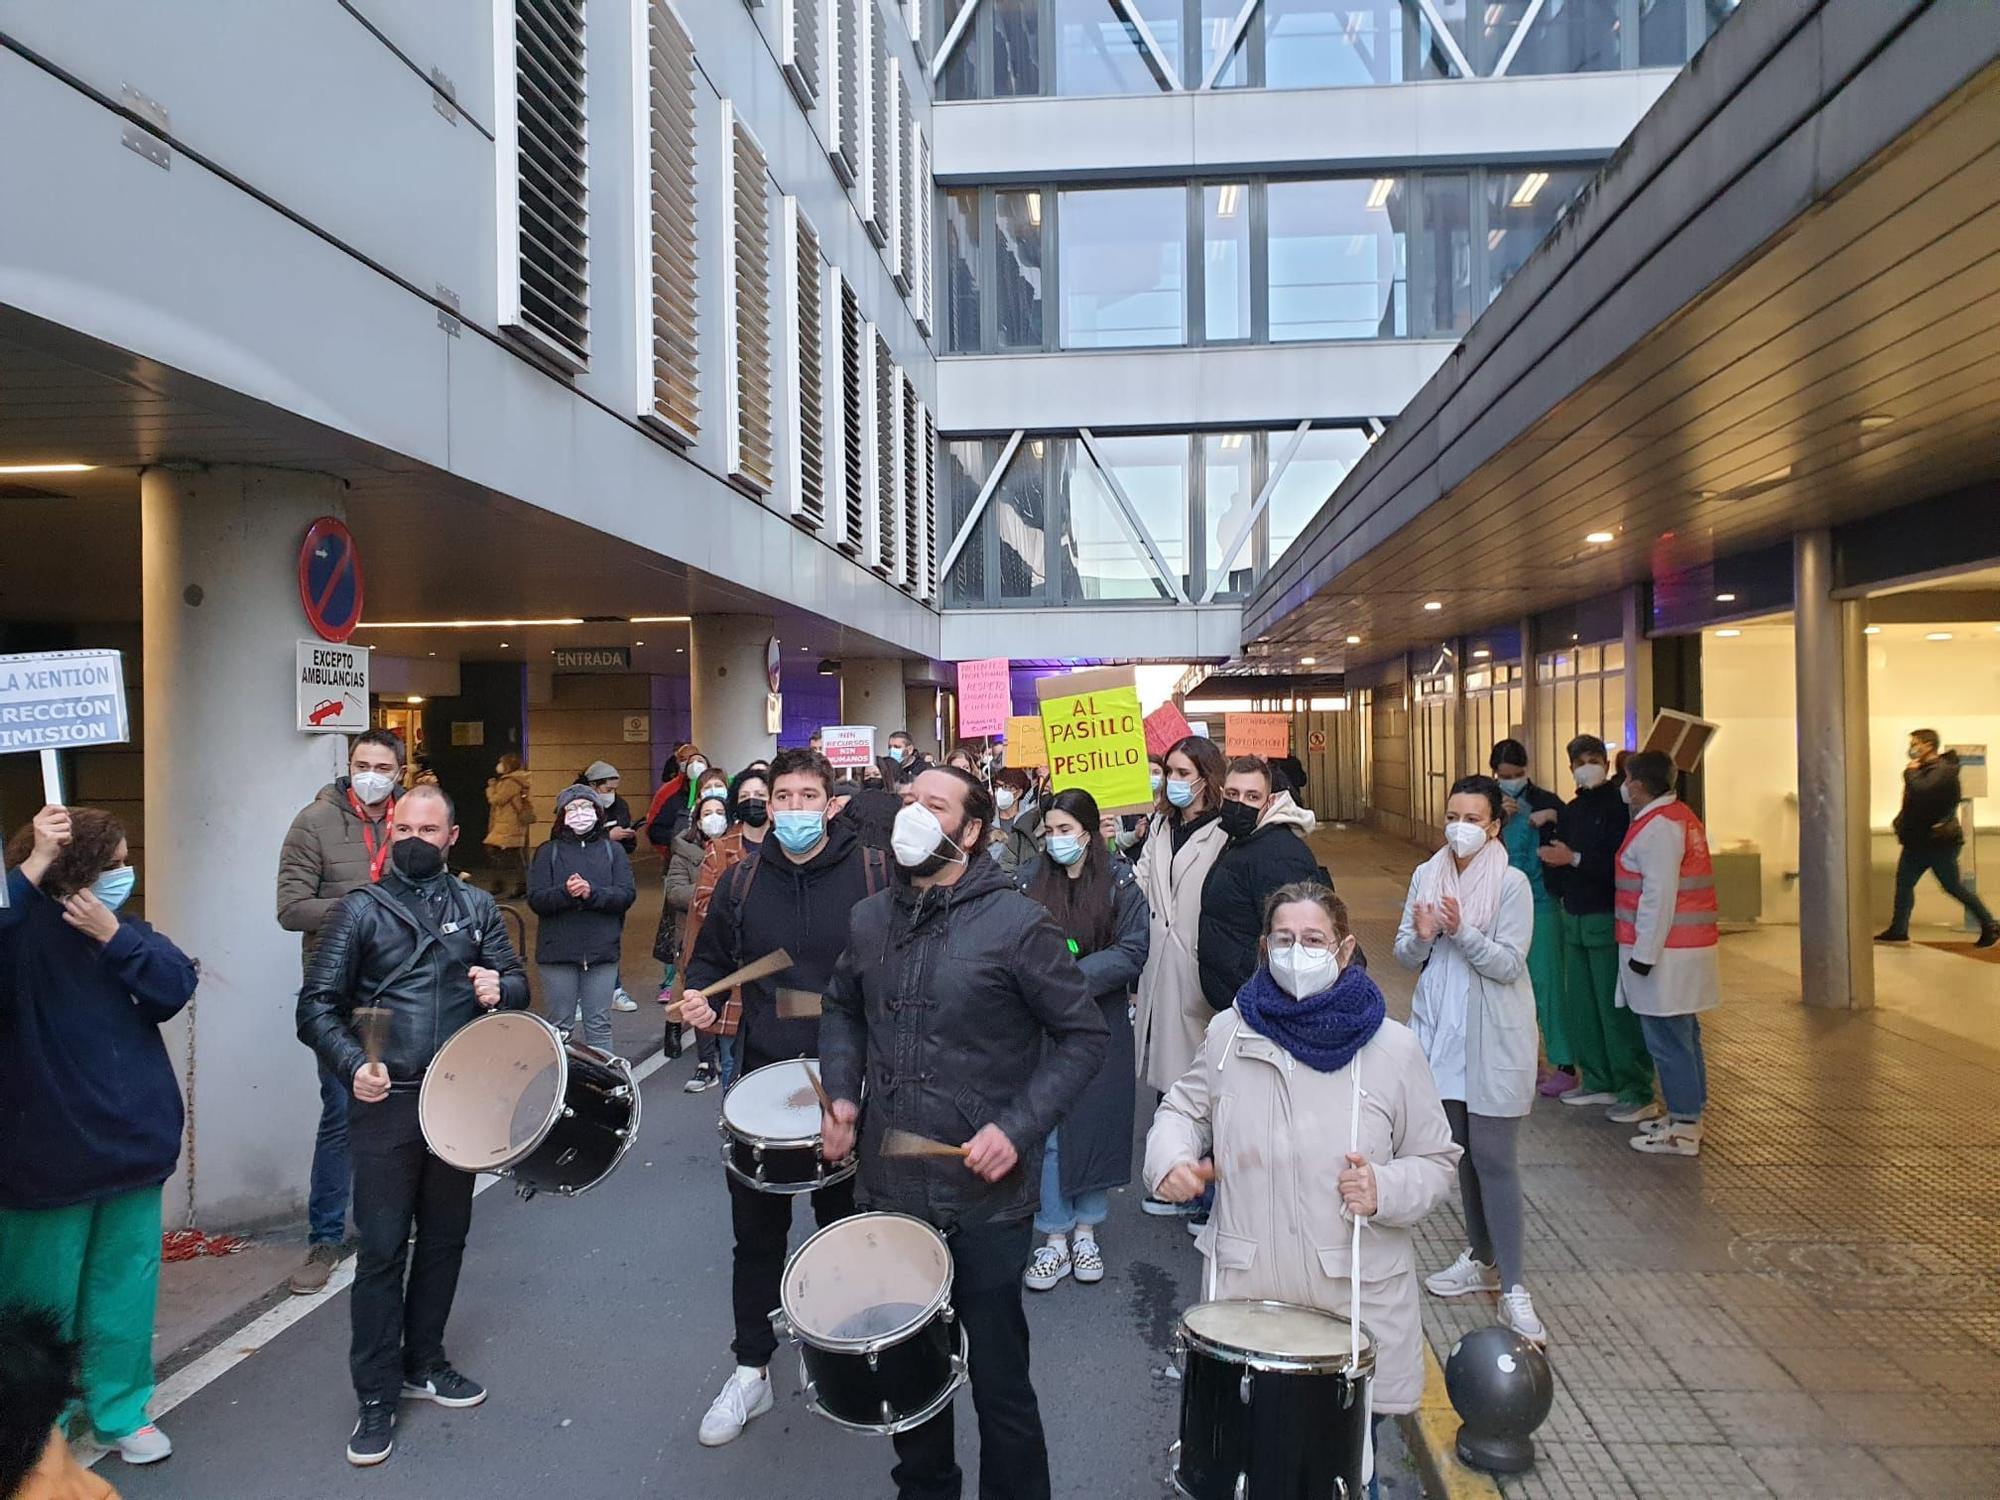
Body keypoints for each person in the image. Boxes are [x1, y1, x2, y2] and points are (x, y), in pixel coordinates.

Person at [819, 767, 1107, 1500]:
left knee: (1000, 1385)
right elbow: (842, 1007)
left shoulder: (1018, 924)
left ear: (971, 830)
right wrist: (843, 1094)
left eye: (933, 805)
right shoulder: (870, 917)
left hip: (986, 1202)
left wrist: (1017, 1128)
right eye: (908, 801)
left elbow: (1081, 1037)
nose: (912, 814)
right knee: (913, 1378)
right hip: (890, 1193)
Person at [1147, 884, 1458, 1498]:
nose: (1298, 952)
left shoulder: (1392, 1049)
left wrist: (1385, 1186)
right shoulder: (1231, 1034)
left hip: (1350, 1315)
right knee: (1247, 1474)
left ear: (1343, 950)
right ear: (1264, 949)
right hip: (1248, 1306)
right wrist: (1171, 1160)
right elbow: (1181, 1110)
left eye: (1313, 940)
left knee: (1343, 1475)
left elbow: (1438, 1159)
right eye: (1284, 940)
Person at [296, 785, 528, 1467]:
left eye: (430, 828)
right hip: (387, 1099)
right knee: (383, 1248)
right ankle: (375, 1393)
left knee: (447, 1239)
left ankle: (425, 1361)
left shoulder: (479, 906)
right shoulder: (357, 912)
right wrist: (349, 1065)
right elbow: (315, 1008)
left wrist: (499, 988)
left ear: (453, 837)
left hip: (459, 1099)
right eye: (404, 826)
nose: (415, 837)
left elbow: (517, 987)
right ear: (385, 831)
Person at [677, 749, 888, 1447]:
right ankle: (751, 1371)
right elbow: (707, 965)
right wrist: (700, 1001)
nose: (794, 809)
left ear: (830, 805)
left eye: (808, 797)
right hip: (763, 1079)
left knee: (844, 1230)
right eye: (783, 797)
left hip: (850, 1082)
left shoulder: (873, 875)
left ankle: (846, 1360)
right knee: (756, 1238)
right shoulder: (741, 882)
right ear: (767, 805)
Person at [0, 806, 197, 1470]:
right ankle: (40, 1422)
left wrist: (118, 937)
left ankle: (120, 1410)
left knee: (124, 1290)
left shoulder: (120, 931)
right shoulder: (19, 931)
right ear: (72, 870)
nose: (124, 874)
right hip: (44, 1158)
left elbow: (174, 985)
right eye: (109, 865)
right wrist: (28, 871)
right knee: (40, 1303)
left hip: (132, 1149)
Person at [1398, 776, 1545, 1345]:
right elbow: (1407, 955)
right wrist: (1424, 934)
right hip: (1442, 1033)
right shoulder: (1427, 875)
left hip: (1491, 1035)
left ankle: (1514, 1289)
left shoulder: (1511, 885)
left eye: (1471, 817)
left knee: (1494, 1158)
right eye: (1452, 814)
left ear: (1492, 825)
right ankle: (1479, 1257)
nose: (1458, 826)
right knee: (1459, 1151)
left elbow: (1508, 963)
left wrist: (1460, 933)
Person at [275, 727, 405, 1296]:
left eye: (382, 765)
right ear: (349, 765)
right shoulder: (314, 822)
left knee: (407, 1107)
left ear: (399, 771)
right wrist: (364, 910)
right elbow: (291, 908)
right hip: (339, 992)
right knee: (341, 1113)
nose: (371, 772)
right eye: (361, 762)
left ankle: (396, 1223)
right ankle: (326, 1236)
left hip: (403, 988)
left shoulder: (412, 818)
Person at [1017, 790, 1150, 1292]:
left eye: (1065, 830)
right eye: (1049, 830)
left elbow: (1133, 950)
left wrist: (1071, 977)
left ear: (1089, 833)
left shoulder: (1120, 883)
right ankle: (1052, 1237)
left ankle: (1087, 1229)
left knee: (1096, 1126)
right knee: (1048, 1132)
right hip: (1043, 1023)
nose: (1056, 840)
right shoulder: (1028, 881)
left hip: (1102, 1023)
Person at [1132, 736, 1231, 1193]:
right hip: (1160, 964)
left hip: (1199, 964)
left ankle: (1205, 1184)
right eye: (1168, 771)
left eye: (1182, 774)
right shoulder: (1160, 826)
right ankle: (1172, 1175)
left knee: (1204, 1075)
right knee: (1167, 1075)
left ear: (1206, 779)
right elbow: (1143, 881)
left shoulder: (1226, 830)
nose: (1172, 781)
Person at [1538, 734, 1654, 1121]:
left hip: (1606, 917)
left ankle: (1633, 1086)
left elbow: (1616, 863)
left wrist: (1574, 859)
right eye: (1579, 761)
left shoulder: (1620, 810)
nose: (1587, 766)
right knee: (1582, 1007)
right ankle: (1598, 1078)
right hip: (1574, 917)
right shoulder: (1572, 810)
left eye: (1594, 758)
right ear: (1570, 766)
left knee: (1614, 1008)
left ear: (1606, 763)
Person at [1615, 752, 1722, 1156]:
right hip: (1681, 950)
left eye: (1626, 778)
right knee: (1683, 1036)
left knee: (1669, 1039)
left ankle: (1684, 1126)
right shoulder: (1677, 816)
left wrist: (1643, 954)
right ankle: (1686, 1113)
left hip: (1666, 955)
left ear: (1638, 784)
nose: (1623, 785)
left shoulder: (1659, 827)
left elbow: (1657, 897)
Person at [668, 767, 772, 1089]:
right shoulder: (720, 847)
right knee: (732, 1063)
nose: (752, 802)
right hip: (734, 968)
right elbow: (702, 903)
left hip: (776, 974)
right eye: (745, 797)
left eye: (760, 796)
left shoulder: (788, 844)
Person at [1196, 755, 1323, 1011]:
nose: (1240, 803)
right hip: (1240, 998)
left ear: (1271, 801)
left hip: (1262, 1003)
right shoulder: (1242, 841)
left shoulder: (1279, 854)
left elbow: (1297, 942)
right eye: (1233, 794)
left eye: (1252, 796)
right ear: (1222, 795)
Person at [526, 785, 637, 1059]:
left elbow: (625, 895)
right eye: (572, 808)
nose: (579, 813)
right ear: (561, 815)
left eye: (586, 807)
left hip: (602, 953)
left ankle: (606, 1088)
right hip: (557, 955)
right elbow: (536, 899)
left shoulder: (613, 851)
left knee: (599, 1026)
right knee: (559, 1026)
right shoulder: (547, 852)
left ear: (598, 813)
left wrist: (592, 893)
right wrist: (565, 893)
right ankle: (559, 1087)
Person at [1489, 740, 1571, 1098]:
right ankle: (1527, 1059)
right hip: (1500, 906)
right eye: (1503, 776)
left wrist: (1553, 817)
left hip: (1541, 904)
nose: (1510, 782)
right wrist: (1498, 818)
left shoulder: (1547, 802)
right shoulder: (1489, 806)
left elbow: (1572, 829)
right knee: (1509, 989)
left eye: (1516, 775)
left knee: (1547, 985)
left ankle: (1564, 1062)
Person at [1879, 729, 1998, 948]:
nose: (1912, 748)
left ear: (1928, 745)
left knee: (1952, 886)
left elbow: (1922, 791)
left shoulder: (1943, 770)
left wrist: (1909, 773)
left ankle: (1989, 924)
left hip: (1939, 843)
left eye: (1915, 743)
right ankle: (1899, 929)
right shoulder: (1925, 769)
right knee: (1904, 885)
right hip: (1917, 841)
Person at [660, 789, 728, 1087]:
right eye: (707, 814)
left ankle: (726, 1063)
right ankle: (705, 1061)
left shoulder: (736, 848)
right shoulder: (683, 854)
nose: (714, 819)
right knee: (699, 994)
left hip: (730, 934)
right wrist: (711, 891)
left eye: (720, 813)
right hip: (694, 934)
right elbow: (674, 892)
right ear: (697, 822)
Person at [581, 761, 641, 1011]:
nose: (611, 793)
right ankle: (581, 995)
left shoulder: (620, 805)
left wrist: (626, 838)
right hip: (584, 880)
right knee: (583, 938)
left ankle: (614, 989)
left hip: (613, 878)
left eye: (615, 787)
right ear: (593, 785)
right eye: (607, 787)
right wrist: (608, 836)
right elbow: (569, 839)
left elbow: (627, 847)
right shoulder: (578, 806)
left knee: (611, 935)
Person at [481, 754, 533, 900]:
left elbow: (497, 799)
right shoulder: (518, 780)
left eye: (501, 763)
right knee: (512, 854)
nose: (499, 765)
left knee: (501, 852)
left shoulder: (511, 782)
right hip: (510, 824)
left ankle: (510, 885)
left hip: (508, 824)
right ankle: (514, 885)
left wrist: (491, 788)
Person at [987, 767, 1043, 875]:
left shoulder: (1030, 819)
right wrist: (986, 839)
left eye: (1006, 787)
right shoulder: (987, 819)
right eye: (997, 787)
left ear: (1018, 792)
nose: (1000, 791)